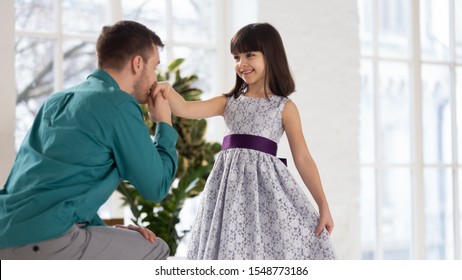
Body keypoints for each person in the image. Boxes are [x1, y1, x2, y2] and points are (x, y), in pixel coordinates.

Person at [154, 22, 336, 259]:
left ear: (270, 56)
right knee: (230, 245)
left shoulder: (284, 107)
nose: (242, 63)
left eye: (250, 55)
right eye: (237, 57)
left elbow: (302, 158)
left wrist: (323, 205)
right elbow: (185, 108)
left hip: (265, 192)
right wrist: (167, 89)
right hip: (227, 190)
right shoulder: (228, 102)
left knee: (260, 247)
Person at [0, 20, 178, 260]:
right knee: (156, 249)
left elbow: (49, 185)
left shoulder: (57, 100)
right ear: (138, 63)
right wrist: (164, 123)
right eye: (154, 67)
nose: (155, 78)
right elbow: (156, 187)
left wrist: (103, 232)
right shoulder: (118, 105)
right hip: (46, 242)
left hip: (6, 234)